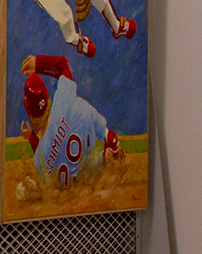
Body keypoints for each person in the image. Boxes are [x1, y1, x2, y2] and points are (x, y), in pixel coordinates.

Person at [19, 53, 124, 187]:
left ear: (31, 115)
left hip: (74, 186)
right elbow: (63, 64)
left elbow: (42, 152)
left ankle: (103, 159)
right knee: (92, 121)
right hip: (86, 145)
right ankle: (109, 152)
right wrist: (39, 63)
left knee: (62, 176)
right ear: (48, 100)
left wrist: (31, 137)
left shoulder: (41, 156)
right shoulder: (63, 99)